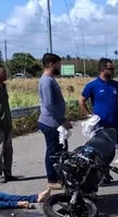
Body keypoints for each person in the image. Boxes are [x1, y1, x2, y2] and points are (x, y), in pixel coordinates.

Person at [79, 58, 118, 184]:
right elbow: (81, 100)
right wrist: (89, 115)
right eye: (110, 69)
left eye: (113, 69)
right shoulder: (93, 85)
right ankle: (105, 175)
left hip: (115, 124)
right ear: (102, 69)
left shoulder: (116, 85)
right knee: (102, 152)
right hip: (100, 125)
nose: (113, 71)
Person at [38, 53, 72, 190]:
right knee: (52, 152)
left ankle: (59, 176)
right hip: (50, 122)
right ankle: (52, 179)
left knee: (61, 150)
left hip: (54, 122)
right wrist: (62, 120)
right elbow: (49, 104)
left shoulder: (50, 79)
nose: (60, 67)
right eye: (58, 64)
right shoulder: (46, 81)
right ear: (51, 64)